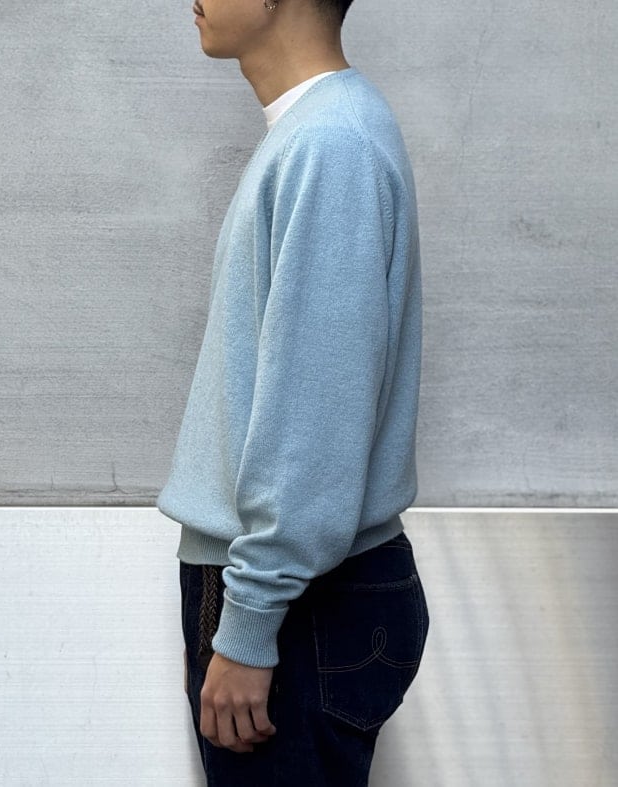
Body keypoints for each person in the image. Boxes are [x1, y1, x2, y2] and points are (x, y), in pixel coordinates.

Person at [156, 0, 429, 784]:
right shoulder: (317, 132)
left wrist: (248, 623)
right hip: (293, 592)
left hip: (300, 603)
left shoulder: (330, 144)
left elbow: (315, 421)